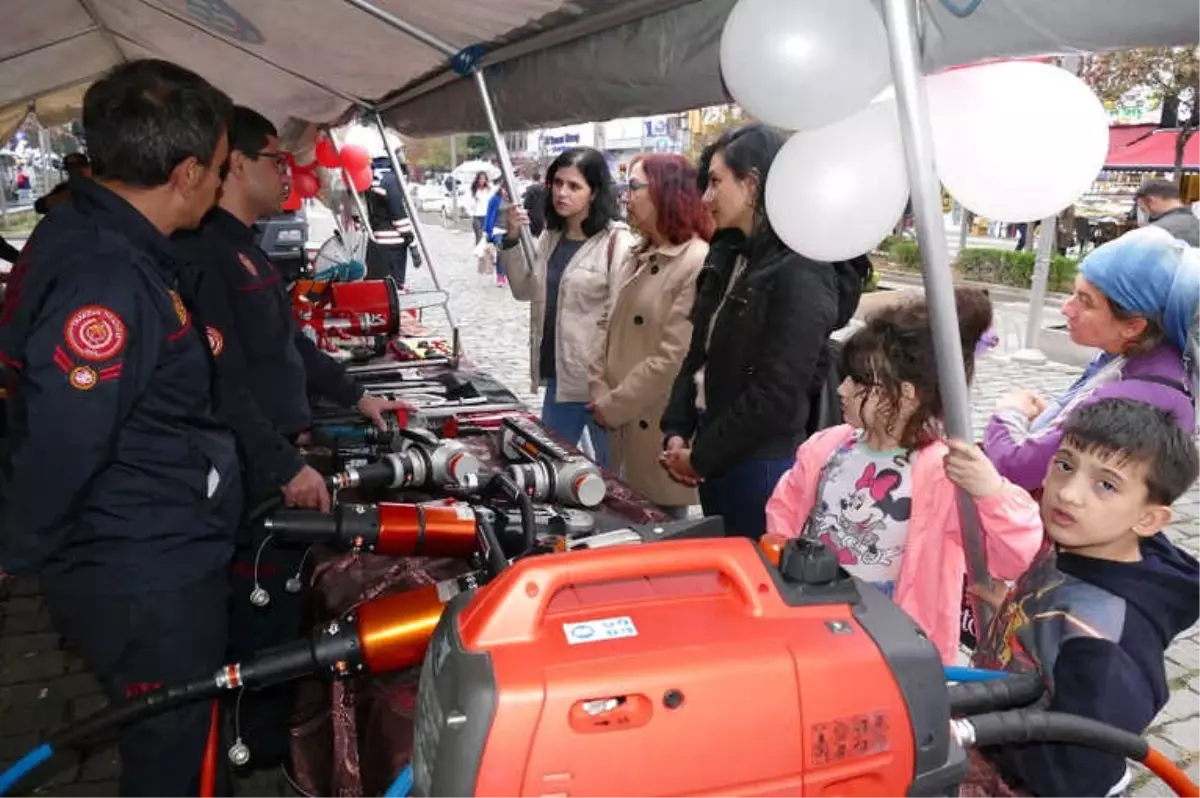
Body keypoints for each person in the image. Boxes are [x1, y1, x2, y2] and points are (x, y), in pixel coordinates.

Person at [0, 59, 238, 798]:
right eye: (224, 167)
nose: (225, 183)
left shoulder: (104, 241)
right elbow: (63, 440)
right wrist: (14, 549)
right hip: (139, 568)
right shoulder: (105, 276)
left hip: (141, 548)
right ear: (189, 172)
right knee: (175, 761)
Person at [174, 106, 404, 771]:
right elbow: (225, 382)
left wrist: (359, 395)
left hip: (276, 457)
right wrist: (282, 465)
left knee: (279, 610)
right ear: (235, 164)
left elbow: (291, 348)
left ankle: (269, 741)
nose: (289, 173)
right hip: (250, 472)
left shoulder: (245, 245)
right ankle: (249, 748)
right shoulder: (207, 255)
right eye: (276, 159)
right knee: (260, 612)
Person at [765, 288, 1043, 662]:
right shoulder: (826, 447)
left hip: (896, 640)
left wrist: (991, 491)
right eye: (846, 378)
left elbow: (1014, 555)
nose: (842, 389)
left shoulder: (943, 471)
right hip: (814, 616)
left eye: (860, 382)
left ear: (907, 394)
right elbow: (786, 510)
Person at [962, 399, 1200, 798]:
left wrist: (991, 726)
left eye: (1106, 484)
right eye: (1065, 465)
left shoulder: (1104, 643)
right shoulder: (1082, 542)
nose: (1068, 494)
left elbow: (1078, 776)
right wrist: (1018, 607)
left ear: (1148, 519)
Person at [658, 124, 857, 539]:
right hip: (718, 456)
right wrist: (677, 427)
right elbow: (699, 350)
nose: (706, 198)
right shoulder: (729, 254)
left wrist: (703, 457)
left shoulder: (802, 269)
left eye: (715, 183)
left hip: (760, 466)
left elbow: (778, 393)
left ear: (752, 184)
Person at [985, 226, 1197, 492]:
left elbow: (1017, 468)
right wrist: (1057, 414)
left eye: (1085, 301)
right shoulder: (1139, 362)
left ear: (1132, 325)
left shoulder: (1136, 396)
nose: (1066, 309)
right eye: (1074, 294)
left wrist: (1009, 412)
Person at [588, 153, 712, 516]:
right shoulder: (636, 254)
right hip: (613, 421)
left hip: (652, 426)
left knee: (658, 535)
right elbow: (605, 325)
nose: (627, 196)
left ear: (666, 191)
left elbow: (673, 357)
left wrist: (614, 405)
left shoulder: (695, 261)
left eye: (635, 186)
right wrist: (598, 388)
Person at [502, 147, 633, 466]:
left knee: (613, 475)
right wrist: (512, 239)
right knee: (550, 467)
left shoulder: (617, 242)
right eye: (557, 183)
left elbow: (623, 318)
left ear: (595, 192)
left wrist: (612, 385)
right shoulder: (551, 236)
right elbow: (524, 290)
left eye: (574, 186)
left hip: (598, 384)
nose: (562, 193)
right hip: (560, 378)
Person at [364, 152, 414, 286]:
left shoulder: (372, 178)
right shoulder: (391, 180)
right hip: (393, 242)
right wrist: (409, 236)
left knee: (379, 284)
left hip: (376, 238)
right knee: (393, 284)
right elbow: (397, 209)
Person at [1135, 179, 1200, 246]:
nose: (1146, 214)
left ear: (1150, 200)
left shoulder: (1151, 233)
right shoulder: (1197, 224)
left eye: (1143, 210)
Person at [482, 183, 510, 287]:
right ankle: (500, 276)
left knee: (508, 254)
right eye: (505, 189)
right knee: (501, 252)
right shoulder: (495, 199)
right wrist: (486, 230)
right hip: (497, 230)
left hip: (508, 230)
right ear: (501, 188)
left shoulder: (512, 199)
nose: (506, 192)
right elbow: (489, 214)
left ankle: (506, 274)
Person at [468, 170, 493, 247]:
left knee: (487, 238)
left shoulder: (489, 190)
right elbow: (467, 203)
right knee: (479, 237)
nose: (482, 180)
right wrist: (471, 212)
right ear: (477, 179)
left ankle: (487, 255)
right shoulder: (473, 190)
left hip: (486, 216)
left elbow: (492, 202)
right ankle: (480, 255)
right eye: (480, 178)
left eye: (484, 179)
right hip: (477, 217)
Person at [523, 169, 547, 237]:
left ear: (532, 179)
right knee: (541, 235)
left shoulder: (530, 189)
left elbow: (527, 204)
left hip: (533, 214)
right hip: (543, 214)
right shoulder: (544, 188)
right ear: (539, 179)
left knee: (534, 235)